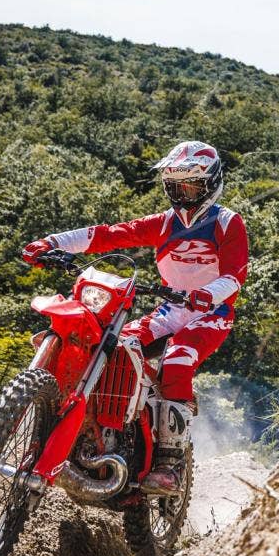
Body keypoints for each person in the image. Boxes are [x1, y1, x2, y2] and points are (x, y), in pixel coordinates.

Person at [21, 141, 248, 495]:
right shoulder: (165, 223)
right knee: (112, 347)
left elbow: (235, 276)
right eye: (175, 187)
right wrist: (52, 242)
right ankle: (102, 430)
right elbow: (110, 235)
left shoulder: (227, 222)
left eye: (191, 187)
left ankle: (169, 463)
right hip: (171, 308)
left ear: (211, 184)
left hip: (211, 313)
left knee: (177, 360)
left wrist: (207, 293)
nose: (182, 195)